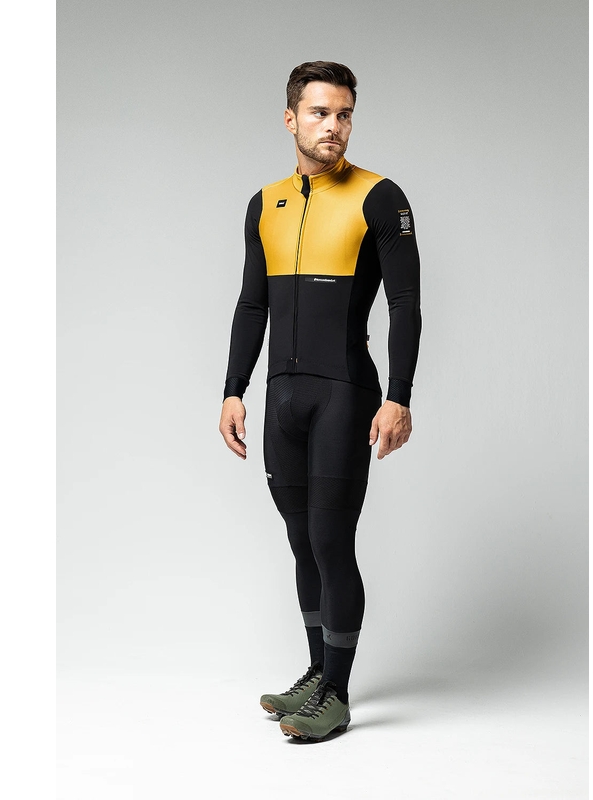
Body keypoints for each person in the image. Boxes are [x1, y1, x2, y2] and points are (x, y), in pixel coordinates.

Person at [219, 61, 422, 741]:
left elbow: (406, 304)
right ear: (291, 119)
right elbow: (253, 304)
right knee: (300, 539)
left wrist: (398, 397)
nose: (334, 126)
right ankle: (316, 672)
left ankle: (336, 692)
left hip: (343, 393)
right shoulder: (265, 203)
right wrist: (233, 389)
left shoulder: (379, 197)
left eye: (344, 114)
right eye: (320, 113)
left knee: (332, 539)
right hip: (281, 396)